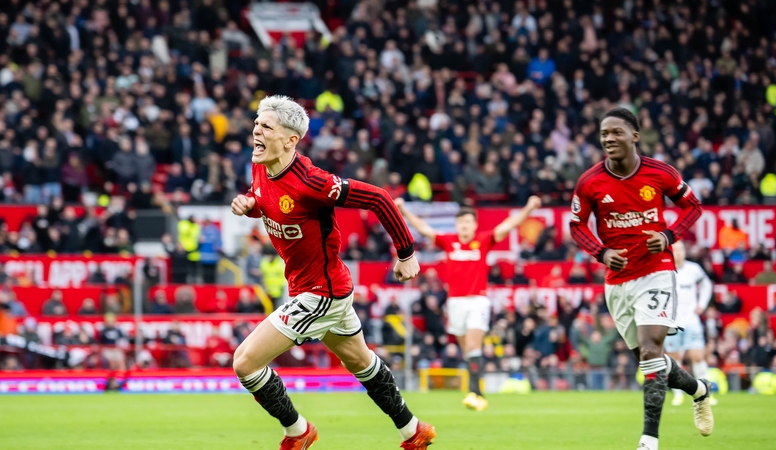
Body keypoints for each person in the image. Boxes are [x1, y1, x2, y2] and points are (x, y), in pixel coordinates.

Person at [229, 95, 434, 450]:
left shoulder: (312, 182)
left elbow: (379, 198)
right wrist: (250, 203)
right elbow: (267, 200)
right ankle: (413, 430)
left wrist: (406, 253)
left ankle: (297, 431)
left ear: (291, 140)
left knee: (245, 362)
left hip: (321, 293)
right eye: (256, 124)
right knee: (360, 361)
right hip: (317, 287)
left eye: (266, 126)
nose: (256, 132)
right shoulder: (261, 164)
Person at [569, 108, 713, 450]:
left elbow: (693, 206)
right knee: (650, 364)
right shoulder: (590, 181)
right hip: (617, 281)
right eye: (604, 133)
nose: (608, 139)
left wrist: (668, 235)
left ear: (635, 136)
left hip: (656, 271)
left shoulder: (660, 173)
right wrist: (601, 252)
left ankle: (649, 440)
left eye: (616, 132)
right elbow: (576, 225)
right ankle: (700, 390)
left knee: (651, 351)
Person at [395, 194, 541, 411]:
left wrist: (529, 208)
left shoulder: (483, 241)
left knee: (473, 345)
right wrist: (403, 211)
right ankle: (475, 389)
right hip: (455, 304)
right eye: (461, 222)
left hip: (477, 301)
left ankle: (476, 394)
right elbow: (424, 229)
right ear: (457, 225)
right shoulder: (448, 241)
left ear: (474, 225)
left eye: (468, 222)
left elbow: (508, 225)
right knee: (468, 351)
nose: (464, 225)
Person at [664, 241, 714, 406]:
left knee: (698, 356)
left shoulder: (694, 269)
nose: (679, 253)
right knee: (674, 358)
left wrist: (702, 305)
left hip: (691, 320)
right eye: (676, 250)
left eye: (681, 249)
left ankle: (706, 393)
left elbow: (707, 284)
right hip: (672, 320)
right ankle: (678, 395)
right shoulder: (664, 269)